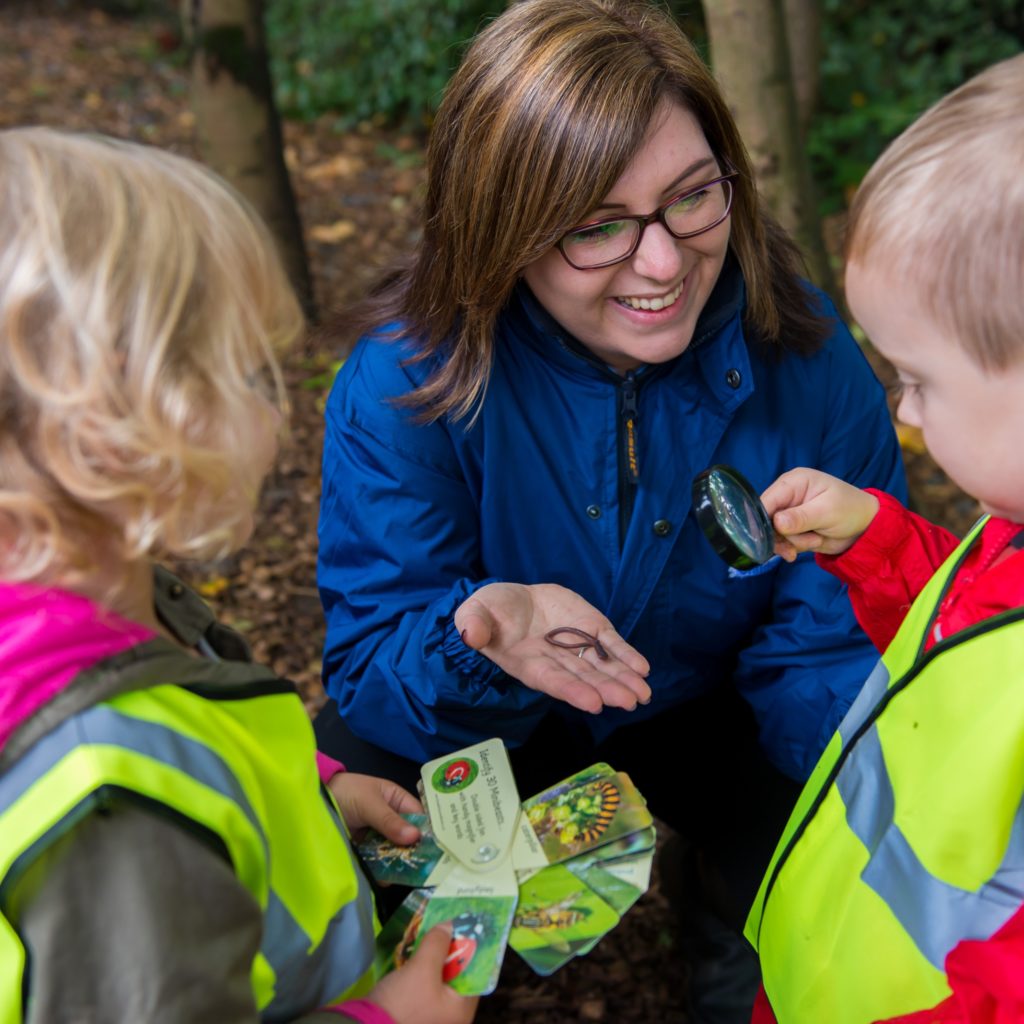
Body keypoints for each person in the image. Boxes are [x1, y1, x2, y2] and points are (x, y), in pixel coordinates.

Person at [315, 0, 904, 1018]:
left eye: (690, 198)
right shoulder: (407, 384)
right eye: (596, 225)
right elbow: (374, 663)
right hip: (502, 709)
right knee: (376, 823)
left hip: (715, 693)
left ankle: (736, 920)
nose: (665, 262)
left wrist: (857, 809)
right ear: (502, 225)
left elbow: (823, 640)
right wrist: (475, 646)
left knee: (821, 851)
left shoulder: (805, 360)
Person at [0, 127, 478, 1024]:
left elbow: (197, 742)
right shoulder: (109, 808)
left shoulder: (96, 613)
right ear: (113, 419)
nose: (280, 407)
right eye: (247, 371)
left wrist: (317, 793)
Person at [744, 53, 1024, 1023]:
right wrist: (875, 538)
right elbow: (968, 659)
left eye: (920, 379)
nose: (901, 414)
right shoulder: (1012, 527)